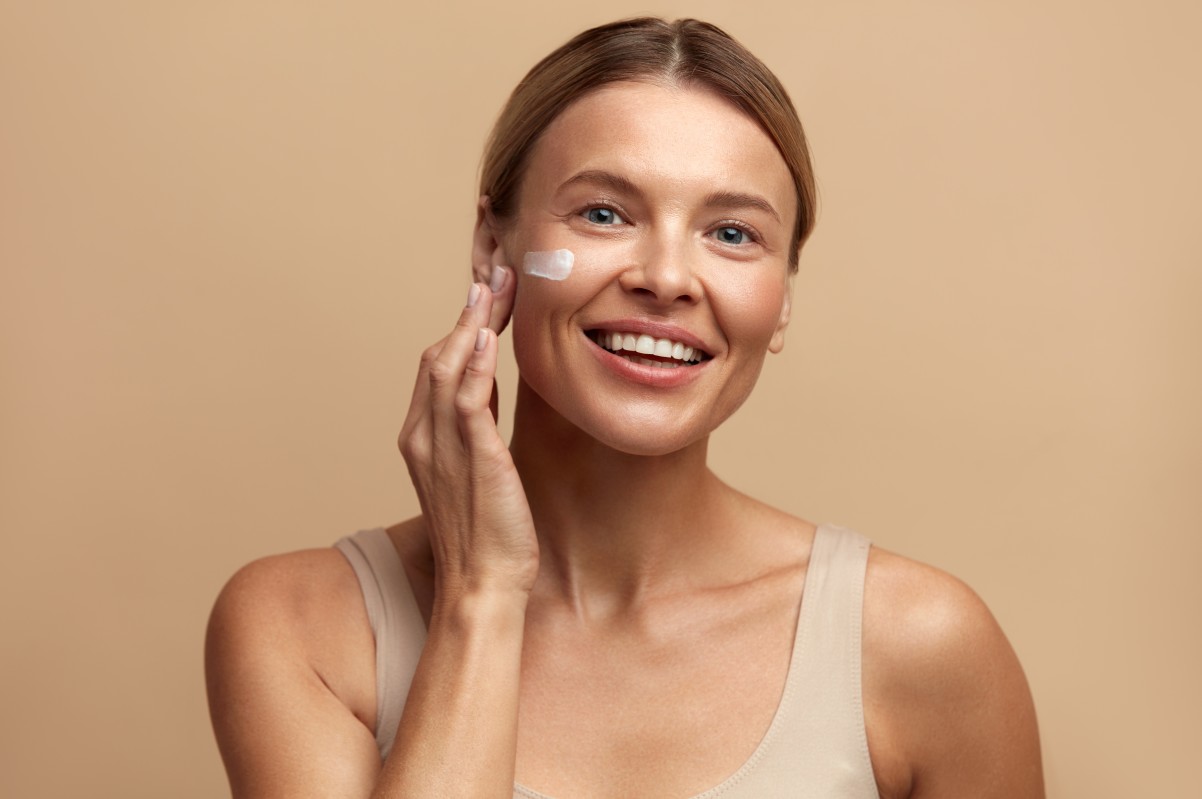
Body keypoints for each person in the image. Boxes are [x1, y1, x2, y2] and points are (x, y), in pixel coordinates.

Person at [205, 17, 1043, 798]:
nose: (667, 276)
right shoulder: (302, 628)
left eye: (733, 234)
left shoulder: (921, 645)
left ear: (783, 297)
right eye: (604, 213)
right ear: (495, 245)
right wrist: (481, 593)